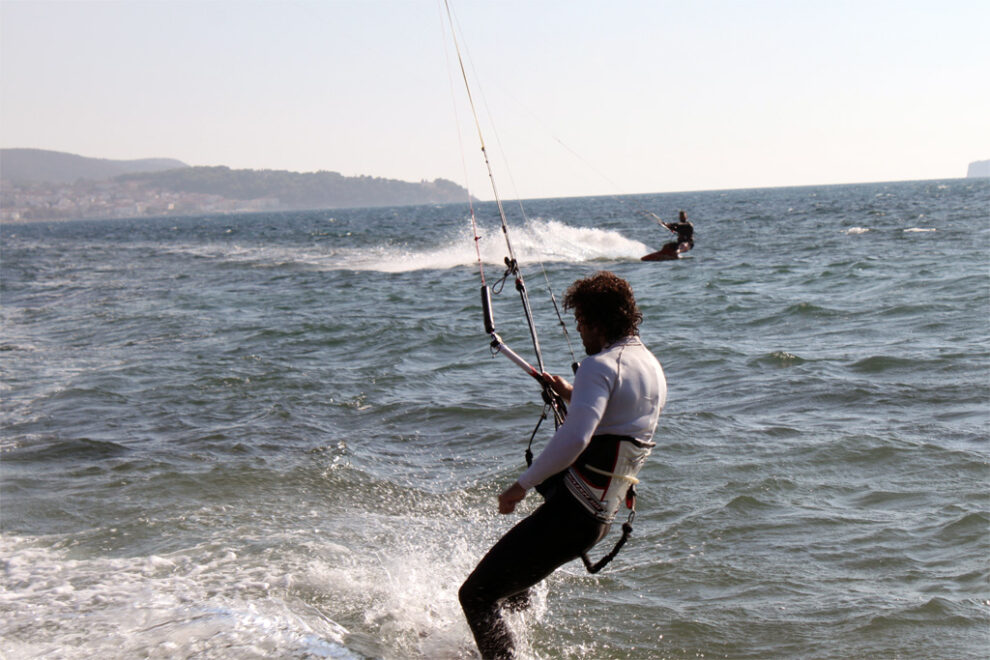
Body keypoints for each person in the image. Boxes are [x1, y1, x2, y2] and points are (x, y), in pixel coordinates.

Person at [459, 271, 667, 659]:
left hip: (574, 514)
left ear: (594, 321)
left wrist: (520, 486)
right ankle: (507, 649)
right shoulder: (649, 364)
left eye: (580, 324)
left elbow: (575, 440)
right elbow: (617, 420)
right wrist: (573, 394)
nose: (580, 333)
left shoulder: (600, 365)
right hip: (598, 519)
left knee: (475, 595)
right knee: (512, 586)